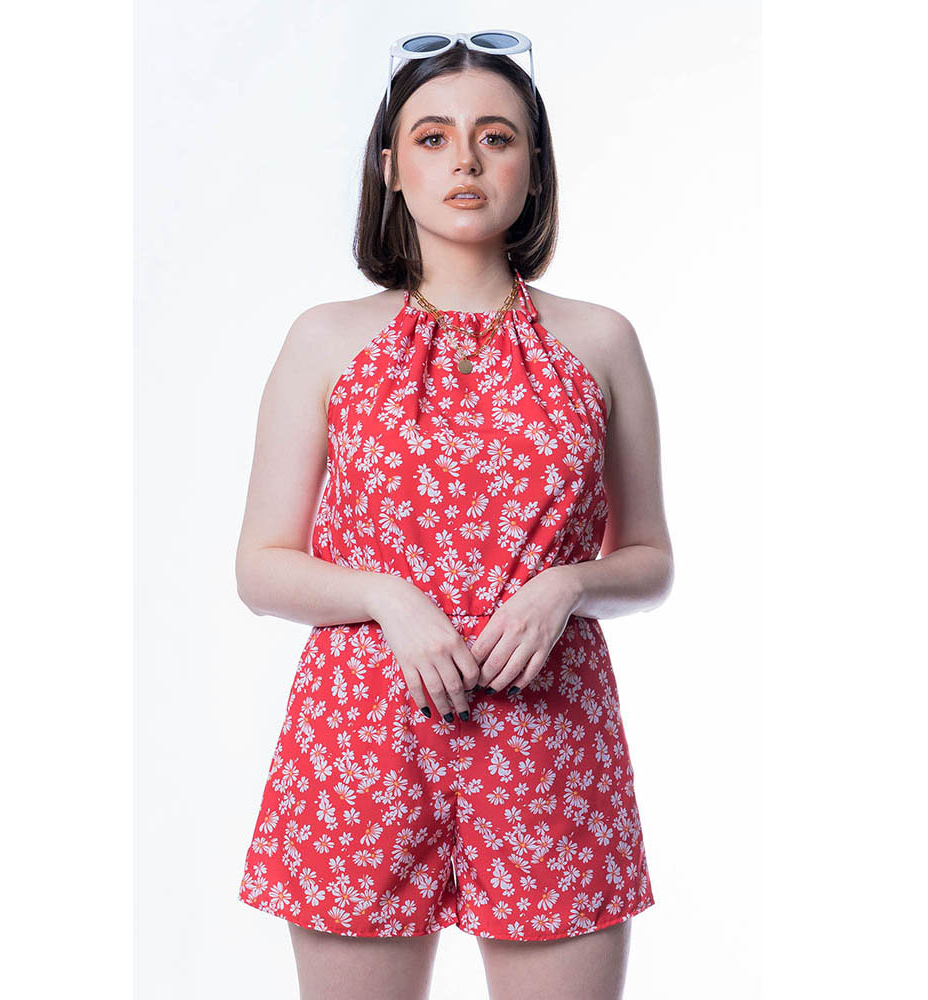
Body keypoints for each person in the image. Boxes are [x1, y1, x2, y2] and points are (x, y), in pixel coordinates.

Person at [235, 33, 674, 1000]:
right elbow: (260, 566)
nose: (465, 161)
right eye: (432, 137)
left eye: (495, 137)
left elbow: (650, 557)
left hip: (552, 745)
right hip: (362, 744)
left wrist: (569, 585)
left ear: (534, 165)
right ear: (391, 167)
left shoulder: (600, 341)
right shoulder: (325, 340)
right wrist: (387, 598)